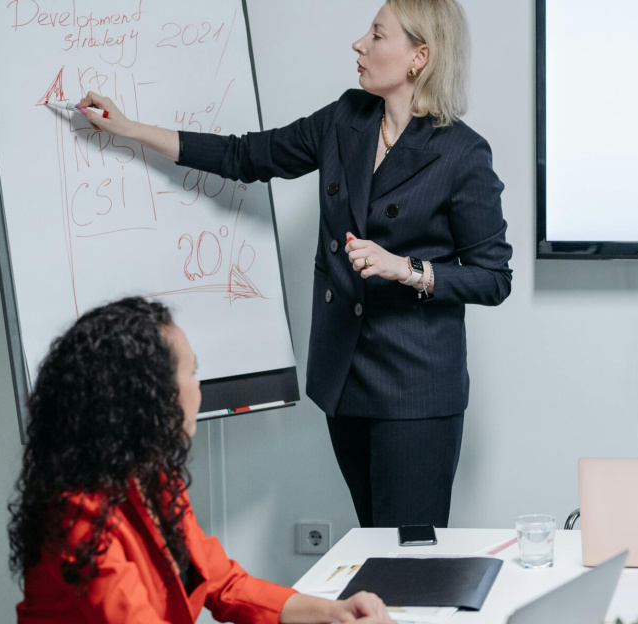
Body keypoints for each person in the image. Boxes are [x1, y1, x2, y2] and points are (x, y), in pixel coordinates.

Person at [77, 0, 512, 529]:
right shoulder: (346, 119)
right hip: (346, 380)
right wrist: (130, 128)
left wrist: (406, 268)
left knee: (410, 562)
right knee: (375, 544)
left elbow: (493, 278)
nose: (360, 44)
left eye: (377, 35)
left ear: (419, 56)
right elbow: (245, 157)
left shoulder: (462, 154)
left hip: (416, 390)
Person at [9, 297, 394, 623]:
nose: (199, 387)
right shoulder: (76, 517)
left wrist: (335, 612)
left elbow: (223, 582)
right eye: (191, 372)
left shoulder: (154, 478)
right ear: (146, 396)